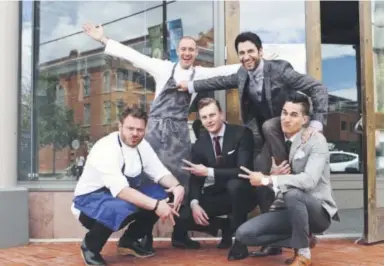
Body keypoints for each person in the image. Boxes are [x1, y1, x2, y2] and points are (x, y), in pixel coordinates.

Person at [82, 22, 245, 248]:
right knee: (148, 180)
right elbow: (134, 57)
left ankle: (179, 235)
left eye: (191, 49)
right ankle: (143, 236)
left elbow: (228, 70)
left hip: (179, 133)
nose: (187, 53)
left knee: (182, 182)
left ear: (196, 53)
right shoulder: (162, 68)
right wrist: (103, 39)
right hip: (155, 131)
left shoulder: (202, 74)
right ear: (178, 51)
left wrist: (262, 63)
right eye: (184, 49)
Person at [177, 31, 329, 256]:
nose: (246, 56)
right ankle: (275, 242)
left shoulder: (279, 70)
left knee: (269, 127)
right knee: (260, 180)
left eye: (250, 51)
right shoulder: (242, 74)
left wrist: (316, 124)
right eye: (242, 53)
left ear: (260, 51)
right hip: (269, 138)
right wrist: (190, 86)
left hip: (287, 127)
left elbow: (318, 88)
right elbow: (220, 81)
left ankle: (282, 168)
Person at [228, 92, 339, 266]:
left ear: (305, 120)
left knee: (293, 194)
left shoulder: (316, 140)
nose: (286, 119)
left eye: (293, 115)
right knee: (244, 234)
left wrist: (268, 179)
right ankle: (302, 239)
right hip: (289, 211)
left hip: (317, 212)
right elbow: (275, 184)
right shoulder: (274, 144)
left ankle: (303, 254)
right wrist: (273, 176)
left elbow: (308, 181)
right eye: (284, 113)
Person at [71, 105, 185, 266]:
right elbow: (121, 191)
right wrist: (156, 205)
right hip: (88, 203)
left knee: (163, 193)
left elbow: (160, 172)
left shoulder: (142, 145)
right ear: (120, 127)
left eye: (139, 129)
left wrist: (177, 186)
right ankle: (90, 247)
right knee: (121, 206)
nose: (135, 134)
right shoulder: (107, 148)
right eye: (130, 128)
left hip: (119, 197)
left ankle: (129, 242)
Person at [173, 98, 257, 250]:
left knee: (234, 185)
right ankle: (224, 226)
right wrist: (194, 204)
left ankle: (239, 241)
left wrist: (208, 171)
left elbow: (243, 171)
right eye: (204, 117)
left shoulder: (242, 133)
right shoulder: (200, 144)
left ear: (222, 115)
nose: (209, 120)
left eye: (212, 115)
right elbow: (196, 179)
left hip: (244, 193)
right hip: (219, 195)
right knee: (183, 216)